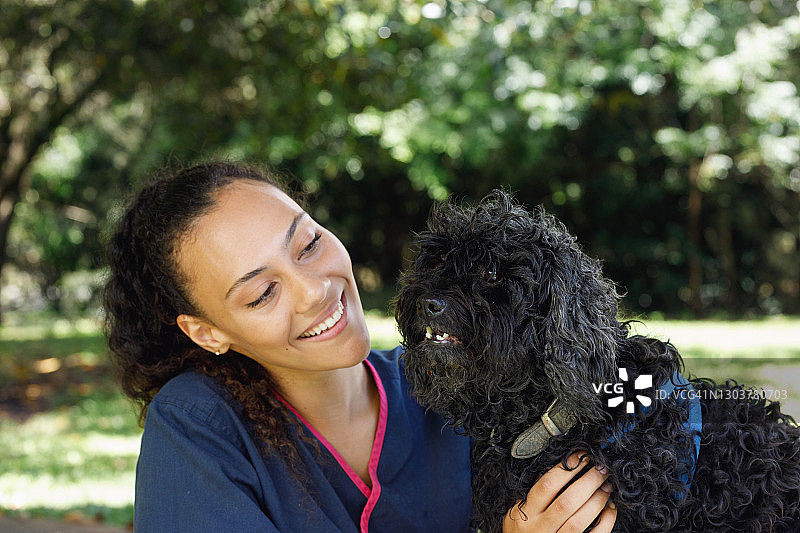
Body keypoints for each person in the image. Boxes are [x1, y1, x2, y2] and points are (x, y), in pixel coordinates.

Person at [103, 161, 617, 532]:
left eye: (308, 244)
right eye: (263, 293)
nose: (315, 289)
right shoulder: (197, 426)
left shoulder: (463, 382)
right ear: (207, 332)